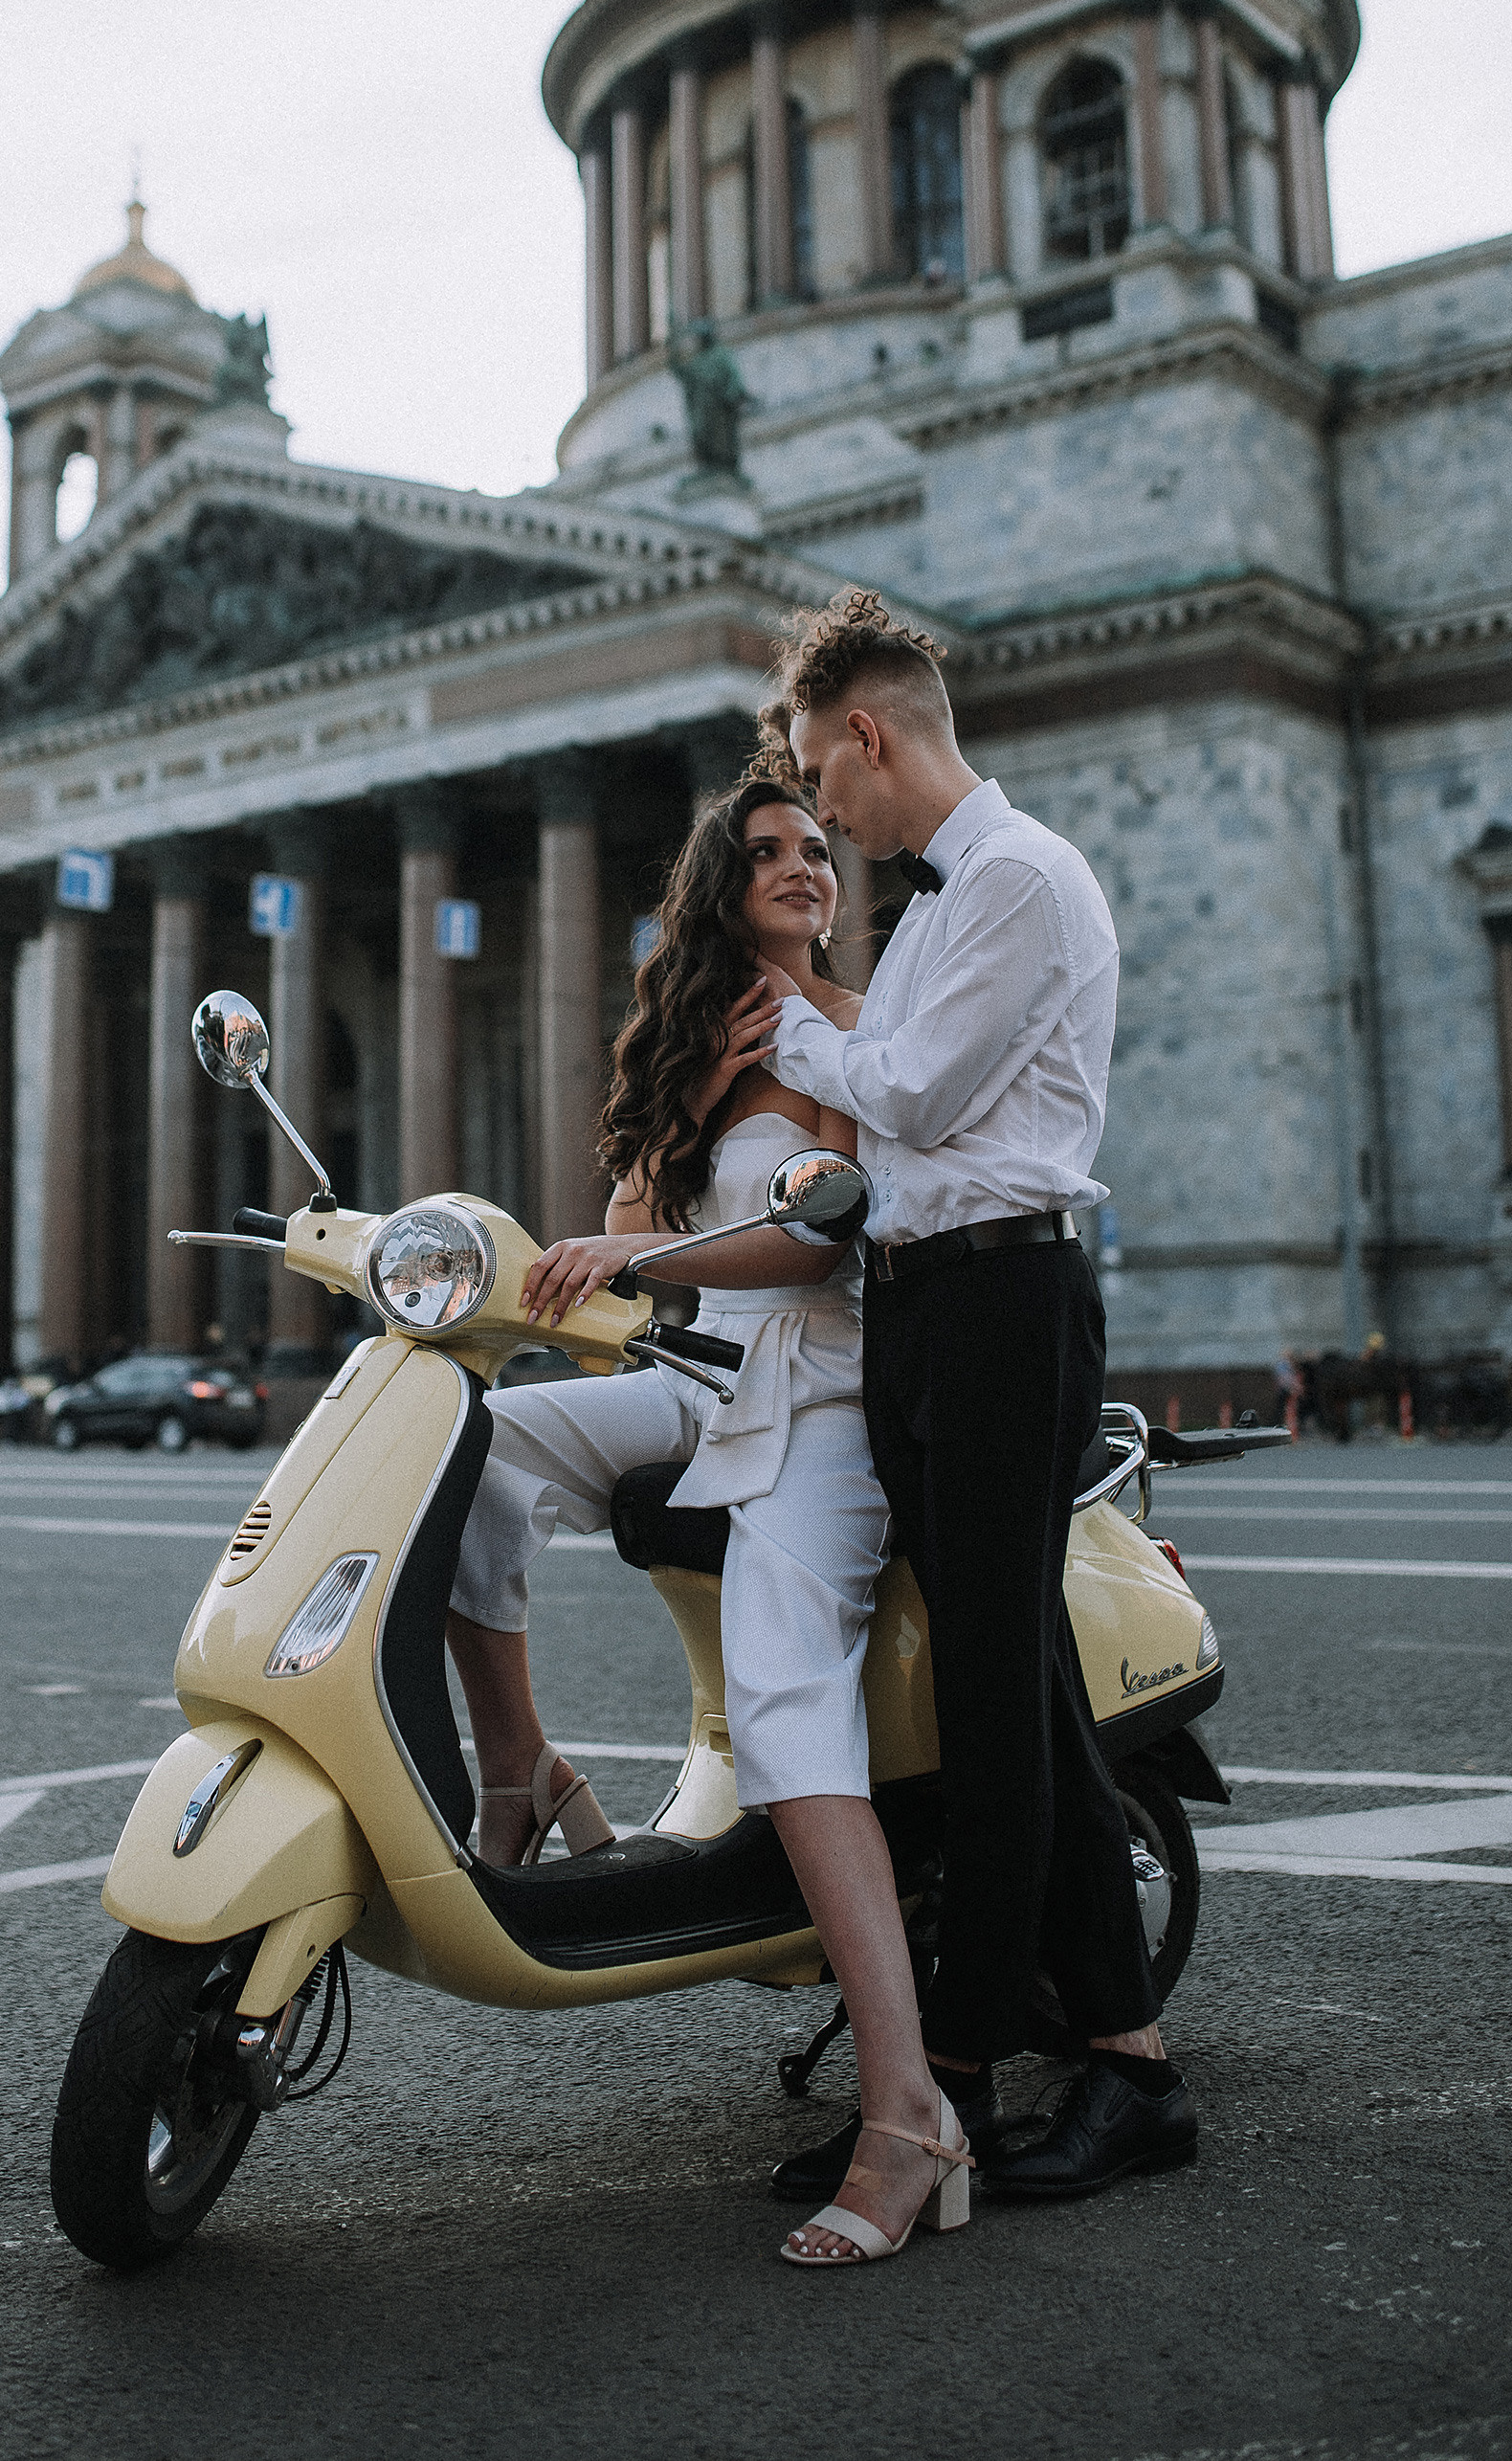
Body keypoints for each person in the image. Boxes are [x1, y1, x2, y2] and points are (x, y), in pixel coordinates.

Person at [447, 769, 982, 2265]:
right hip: (697, 1377)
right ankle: (524, 1771)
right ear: (717, 888)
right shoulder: (699, 1038)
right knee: (466, 1455)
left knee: (782, 1688)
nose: (808, 866)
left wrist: (641, 1247)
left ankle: (907, 2114)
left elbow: (820, 1242)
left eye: (819, 848)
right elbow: (639, 1241)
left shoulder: (859, 1028)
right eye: (771, 853)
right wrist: (679, 1122)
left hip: (819, 1387)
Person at [757, 586, 1197, 2203]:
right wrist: (855, 1043)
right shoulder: (938, 906)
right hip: (927, 1309)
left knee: (1002, 1708)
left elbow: (918, 1088)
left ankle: (943, 2080)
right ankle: (1127, 2067)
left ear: (869, 733)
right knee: (1017, 1694)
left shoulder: (1017, 876)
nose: (827, 814)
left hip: (1011, 1296)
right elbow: (893, 1109)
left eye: (825, 775)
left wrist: (815, 1024)